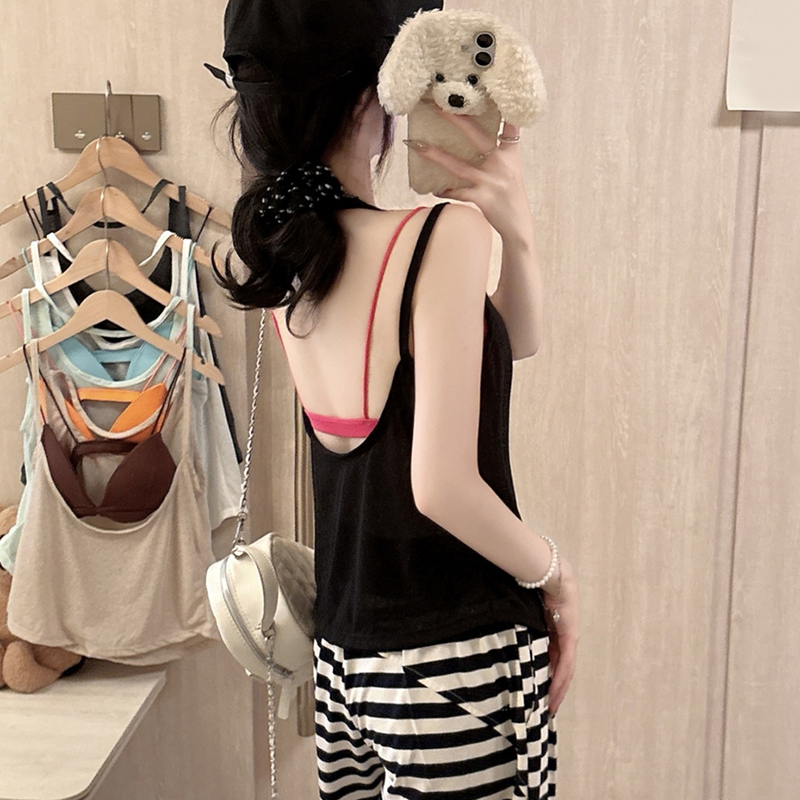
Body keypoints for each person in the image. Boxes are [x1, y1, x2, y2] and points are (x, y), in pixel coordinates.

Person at [207, 1, 579, 797]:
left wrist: (512, 227)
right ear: (369, 96)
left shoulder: (289, 254)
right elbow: (441, 487)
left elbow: (509, 343)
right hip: (457, 654)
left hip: (345, 658)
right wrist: (554, 572)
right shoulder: (437, 237)